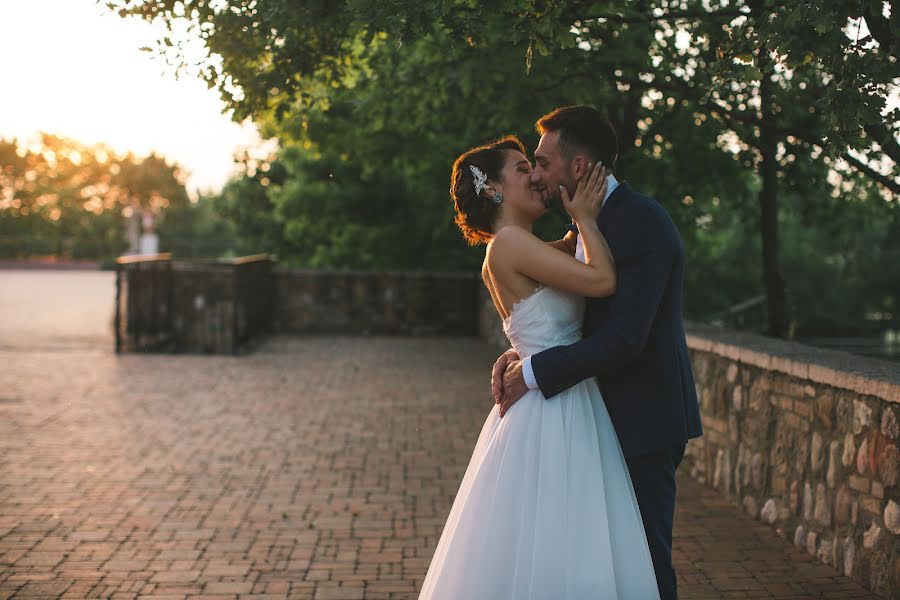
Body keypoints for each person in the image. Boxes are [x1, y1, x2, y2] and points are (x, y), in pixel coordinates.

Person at [419, 133, 660, 599]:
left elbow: (566, 271)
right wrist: (586, 217)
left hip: (563, 396)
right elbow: (603, 279)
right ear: (493, 189)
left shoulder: (521, 245)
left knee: (556, 541)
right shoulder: (508, 243)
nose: (535, 176)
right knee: (562, 538)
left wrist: (579, 226)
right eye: (522, 168)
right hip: (556, 411)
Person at [493, 106, 703, 600]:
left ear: (580, 167)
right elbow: (560, 311)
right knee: (595, 566)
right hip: (588, 423)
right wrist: (519, 350)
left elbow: (626, 339)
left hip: (641, 422)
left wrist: (535, 372)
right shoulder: (582, 225)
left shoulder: (641, 221)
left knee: (643, 570)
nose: (537, 173)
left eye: (543, 163)